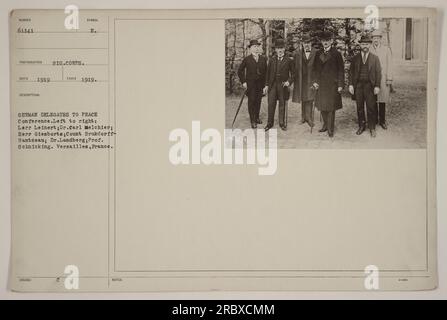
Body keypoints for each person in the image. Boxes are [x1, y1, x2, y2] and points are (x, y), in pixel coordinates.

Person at [349, 35, 382, 138]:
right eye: (363, 44)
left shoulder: (375, 58)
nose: (365, 46)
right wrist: (351, 85)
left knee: (371, 107)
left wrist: (377, 86)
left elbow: (378, 73)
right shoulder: (355, 58)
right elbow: (351, 72)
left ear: (370, 45)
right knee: (359, 107)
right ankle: (361, 126)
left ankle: (372, 128)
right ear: (360, 45)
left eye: (367, 44)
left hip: (370, 86)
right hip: (358, 86)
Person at [312, 31, 344, 138]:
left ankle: (330, 129)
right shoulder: (318, 53)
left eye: (327, 40)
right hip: (321, 85)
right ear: (321, 42)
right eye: (323, 41)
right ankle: (325, 125)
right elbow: (315, 70)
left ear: (331, 41)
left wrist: (340, 85)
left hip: (332, 85)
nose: (325, 43)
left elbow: (341, 70)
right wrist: (315, 82)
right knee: (322, 106)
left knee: (330, 108)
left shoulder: (336, 54)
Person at [264, 39, 294, 132]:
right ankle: (270, 123)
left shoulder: (289, 60)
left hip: (283, 85)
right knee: (271, 104)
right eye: (278, 48)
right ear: (275, 50)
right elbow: (267, 74)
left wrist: (288, 82)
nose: (280, 50)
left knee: (282, 104)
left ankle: (282, 123)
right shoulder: (272, 60)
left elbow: (293, 74)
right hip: (273, 85)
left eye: (281, 48)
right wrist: (266, 85)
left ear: (284, 49)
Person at [237, 39, 267, 129]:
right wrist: (244, 82)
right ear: (250, 48)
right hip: (251, 85)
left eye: (258, 46)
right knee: (252, 102)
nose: (256, 48)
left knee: (258, 101)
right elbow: (240, 71)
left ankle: (257, 117)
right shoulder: (247, 59)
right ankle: (252, 120)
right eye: (254, 47)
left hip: (260, 85)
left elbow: (266, 73)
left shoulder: (263, 59)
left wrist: (265, 85)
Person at [292, 34, 317, 129]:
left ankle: (309, 118)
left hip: (311, 79)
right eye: (305, 43)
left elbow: (318, 67)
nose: (307, 44)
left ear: (311, 43)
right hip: (301, 79)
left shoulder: (315, 52)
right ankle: (303, 117)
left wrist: (316, 80)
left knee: (310, 98)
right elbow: (294, 67)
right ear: (302, 43)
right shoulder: (297, 53)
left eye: (308, 42)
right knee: (303, 97)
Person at [369, 29, 393, 129]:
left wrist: (389, 78)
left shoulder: (386, 49)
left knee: (382, 100)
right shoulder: (369, 49)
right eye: (374, 38)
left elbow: (390, 64)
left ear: (380, 39)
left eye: (378, 38)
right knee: (373, 99)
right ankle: (374, 120)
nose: (376, 40)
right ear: (372, 39)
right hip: (372, 79)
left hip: (383, 78)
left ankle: (382, 121)